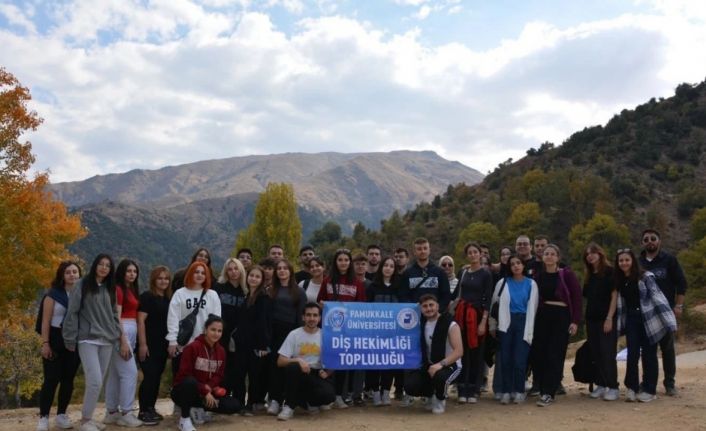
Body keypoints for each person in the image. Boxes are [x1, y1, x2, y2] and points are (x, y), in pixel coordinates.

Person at [62, 254, 123, 431]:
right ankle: (85, 421)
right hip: (87, 338)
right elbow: (72, 312)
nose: (104, 268)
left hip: (107, 340)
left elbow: (114, 313)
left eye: (108, 265)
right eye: (101, 264)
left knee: (98, 382)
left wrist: (116, 333)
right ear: (95, 265)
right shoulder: (82, 284)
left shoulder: (110, 287)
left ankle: (89, 418)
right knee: (95, 380)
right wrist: (69, 337)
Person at [615, 249, 677, 403]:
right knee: (632, 354)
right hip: (631, 319)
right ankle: (632, 387)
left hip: (648, 318)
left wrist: (669, 320)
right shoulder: (620, 280)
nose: (624, 263)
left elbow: (658, 297)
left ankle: (650, 389)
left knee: (649, 354)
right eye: (621, 260)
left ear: (633, 261)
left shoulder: (645, 277)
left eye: (627, 260)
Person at [532, 244, 582, 407]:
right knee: (541, 353)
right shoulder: (538, 276)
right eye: (546, 253)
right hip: (542, 316)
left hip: (561, 316)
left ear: (558, 257)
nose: (549, 256)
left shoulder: (566, 274)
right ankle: (542, 388)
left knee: (555, 354)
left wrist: (575, 321)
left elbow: (576, 297)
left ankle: (549, 392)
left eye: (552, 254)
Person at [639, 229, 687, 396]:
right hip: (646, 314)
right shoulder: (638, 262)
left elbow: (681, 283)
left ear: (659, 241)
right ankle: (647, 382)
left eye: (653, 238)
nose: (650, 241)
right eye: (646, 239)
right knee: (648, 351)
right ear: (642, 243)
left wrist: (679, 306)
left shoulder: (669, 260)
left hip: (666, 311)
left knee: (667, 349)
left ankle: (669, 383)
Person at [171, 315, 241, 431]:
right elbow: (184, 375)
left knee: (234, 405)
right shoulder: (192, 347)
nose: (216, 334)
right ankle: (184, 419)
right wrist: (204, 390)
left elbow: (219, 375)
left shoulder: (221, 351)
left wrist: (209, 388)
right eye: (213, 330)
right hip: (184, 392)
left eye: (219, 331)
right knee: (190, 382)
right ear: (205, 330)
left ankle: (198, 408)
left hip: (205, 394)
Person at [318, 249, 366, 408]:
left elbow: (361, 307)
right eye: (340, 260)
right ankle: (326, 396)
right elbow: (320, 301)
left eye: (346, 260)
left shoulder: (357, 283)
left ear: (350, 262)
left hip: (348, 330)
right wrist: (325, 305)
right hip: (330, 329)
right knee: (328, 361)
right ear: (335, 262)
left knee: (342, 363)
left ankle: (339, 396)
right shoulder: (327, 280)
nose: (343, 262)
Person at [37, 261, 82, 431]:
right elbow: (45, 321)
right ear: (62, 275)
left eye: (75, 272)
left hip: (73, 340)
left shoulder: (81, 294)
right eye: (68, 272)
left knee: (68, 379)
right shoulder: (53, 295)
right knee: (51, 379)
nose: (72, 275)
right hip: (55, 339)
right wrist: (45, 343)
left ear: (79, 274)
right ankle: (43, 417)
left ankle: (61, 415)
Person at [489, 255, 538, 405]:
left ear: (523, 265)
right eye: (512, 264)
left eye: (518, 263)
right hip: (506, 323)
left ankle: (519, 390)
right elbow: (494, 305)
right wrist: (493, 325)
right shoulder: (503, 283)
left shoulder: (531, 283)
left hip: (523, 322)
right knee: (505, 359)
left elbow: (534, 308)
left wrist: (531, 329)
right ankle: (505, 391)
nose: (516, 266)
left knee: (519, 360)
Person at [275, 303, 336, 421]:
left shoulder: (325, 335)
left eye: (315, 315)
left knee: (329, 396)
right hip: (299, 373)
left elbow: (335, 359)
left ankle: (308, 403)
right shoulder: (294, 334)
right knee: (293, 367)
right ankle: (289, 406)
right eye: (308, 315)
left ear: (320, 318)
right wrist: (298, 360)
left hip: (317, 373)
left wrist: (328, 372)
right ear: (303, 317)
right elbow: (280, 361)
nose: (312, 318)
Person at [404, 294, 463, 414]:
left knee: (440, 376)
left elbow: (459, 351)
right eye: (425, 306)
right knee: (410, 384)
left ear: (437, 306)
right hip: (429, 364)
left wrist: (440, 364)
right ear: (421, 309)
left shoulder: (451, 324)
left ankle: (440, 398)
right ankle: (429, 394)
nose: (429, 308)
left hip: (450, 364)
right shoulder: (421, 324)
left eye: (431, 305)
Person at [104, 259, 143, 427]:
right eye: (129, 271)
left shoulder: (130, 289)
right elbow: (116, 316)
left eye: (134, 271)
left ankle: (111, 412)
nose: (132, 274)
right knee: (130, 373)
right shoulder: (119, 290)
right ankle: (126, 412)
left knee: (114, 374)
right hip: (122, 333)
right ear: (121, 272)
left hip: (129, 332)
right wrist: (123, 340)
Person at [452, 242, 493, 404]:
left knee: (476, 353)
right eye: (470, 252)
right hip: (461, 316)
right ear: (466, 255)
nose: (473, 255)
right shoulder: (463, 272)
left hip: (477, 316)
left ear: (480, 254)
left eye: (475, 252)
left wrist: (483, 322)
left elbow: (488, 299)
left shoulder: (486, 274)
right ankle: (462, 388)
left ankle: (473, 389)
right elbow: (456, 295)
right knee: (462, 352)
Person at [167, 261, 221, 379]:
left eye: (203, 273)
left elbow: (216, 322)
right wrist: (172, 341)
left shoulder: (212, 295)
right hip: (183, 345)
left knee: (201, 380)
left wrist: (212, 342)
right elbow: (173, 318)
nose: (200, 275)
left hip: (204, 345)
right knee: (181, 379)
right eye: (196, 272)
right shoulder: (180, 293)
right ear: (190, 273)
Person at [266, 259, 307, 416]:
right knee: (274, 367)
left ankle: (288, 401)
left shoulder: (299, 291)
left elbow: (301, 316)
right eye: (279, 268)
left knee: (288, 368)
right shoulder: (271, 290)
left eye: (285, 268)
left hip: (291, 332)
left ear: (290, 271)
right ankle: (275, 400)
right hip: (273, 333)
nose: (282, 271)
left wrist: (299, 336)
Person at [232, 266, 272, 415]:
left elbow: (264, 323)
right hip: (242, 343)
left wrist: (264, 345)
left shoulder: (263, 298)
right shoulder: (247, 295)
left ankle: (251, 404)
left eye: (257, 276)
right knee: (239, 374)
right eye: (251, 275)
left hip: (256, 344)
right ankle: (238, 403)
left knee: (254, 375)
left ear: (262, 280)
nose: (253, 279)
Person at [582, 243, 619, 401]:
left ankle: (613, 386)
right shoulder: (589, 275)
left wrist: (609, 318)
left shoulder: (610, 272)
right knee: (596, 352)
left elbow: (614, 296)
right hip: (591, 319)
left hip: (607, 319)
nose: (590, 256)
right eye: (587, 254)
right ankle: (601, 384)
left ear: (600, 254)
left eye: (593, 252)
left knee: (607, 353)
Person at [137, 266, 172, 424]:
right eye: (160, 278)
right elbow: (140, 321)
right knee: (149, 377)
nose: (163, 281)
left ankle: (151, 408)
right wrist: (142, 344)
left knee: (157, 377)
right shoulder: (147, 297)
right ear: (154, 280)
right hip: (148, 344)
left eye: (166, 278)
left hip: (162, 345)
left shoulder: (168, 299)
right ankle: (143, 411)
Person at [365, 257, 401, 406]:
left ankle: (386, 391)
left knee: (389, 362)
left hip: (392, 332)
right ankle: (374, 392)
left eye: (391, 266)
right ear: (381, 268)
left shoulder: (399, 287)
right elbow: (365, 309)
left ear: (394, 269)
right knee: (374, 362)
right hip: (374, 332)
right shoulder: (372, 287)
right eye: (385, 265)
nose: (388, 268)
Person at [213, 258, 248, 398]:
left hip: (239, 335)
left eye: (236, 268)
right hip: (221, 334)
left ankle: (238, 400)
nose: (233, 272)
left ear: (241, 270)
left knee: (238, 368)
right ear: (226, 271)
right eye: (230, 269)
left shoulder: (246, 289)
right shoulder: (218, 287)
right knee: (221, 366)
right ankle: (220, 397)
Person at [400, 238, 451, 311]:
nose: (423, 251)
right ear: (414, 252)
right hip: (415, 314)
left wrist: (437, 310)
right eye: (419, 249)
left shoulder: (440, 272)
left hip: (435, 314)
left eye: (425, 248)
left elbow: (446, 295)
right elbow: (403, 296)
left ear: (429, 250)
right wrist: (412, 309)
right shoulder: (407, 273)